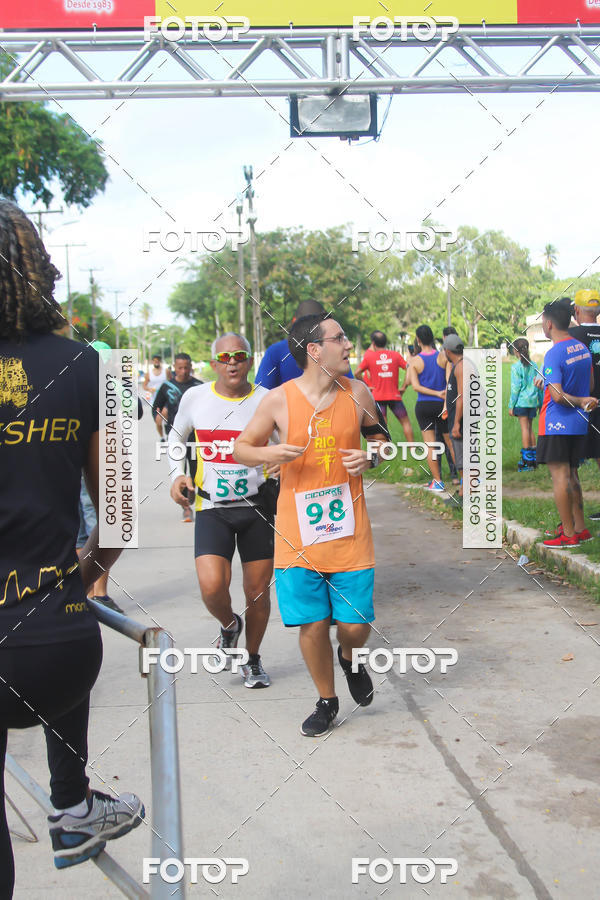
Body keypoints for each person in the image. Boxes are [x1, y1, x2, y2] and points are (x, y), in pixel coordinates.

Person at [0, 201, 144, 896]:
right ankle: (73, 806)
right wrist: (78, 575)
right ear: (37, 264)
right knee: (59, 620)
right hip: (56, 646)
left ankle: (73, 805)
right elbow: (118, 517)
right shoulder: (92, 367)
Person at [234, 314, 389, 737]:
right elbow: (241, 449)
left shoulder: (357, 392)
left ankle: (350, 657)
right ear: (314, 350)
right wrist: (273, 455)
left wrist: (371, 456)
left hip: (350, 530)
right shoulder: (278, 400)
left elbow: (383, 442)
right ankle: (327, 700)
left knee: (355, 626)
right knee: (312, 623)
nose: (348, 343)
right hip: (297, 535)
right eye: (339, 338)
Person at [169, 334, 276, 688]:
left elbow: (284, 444)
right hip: (212, 506)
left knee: (257, 592)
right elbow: (175, 436)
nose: (232, 362)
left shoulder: (266, 400)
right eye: (225, 357)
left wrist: (280, 465)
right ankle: (230, 624)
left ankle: (253, 659)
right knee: (212, 587)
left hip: (256, 508)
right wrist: (177, 474)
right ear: (214, 363)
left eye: (240, 355)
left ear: (249, 361)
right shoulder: (196, 398)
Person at [536, 300, 598, 547]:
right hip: (579, 424)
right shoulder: (582, 348)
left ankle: (568, 535)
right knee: (572, 474)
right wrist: (583, 398)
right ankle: (580, 528)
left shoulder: (554, 353)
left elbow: (559, 396)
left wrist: (579, 398)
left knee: (560, 477)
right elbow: (591, 385)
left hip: (556, 424)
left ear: (549, 324)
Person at [255, 299, 354, 388]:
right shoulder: (333, 351)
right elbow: (350, 386)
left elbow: (261, 390)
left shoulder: (276, 351)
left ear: (294, 321)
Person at [153, 352, 202, 522]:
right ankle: (186, 508)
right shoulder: (167, 386)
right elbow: (156, 407)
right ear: (175, 368)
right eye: (180, 368)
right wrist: (158, 416)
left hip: (196, 438)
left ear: (191, 367)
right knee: (179, 473)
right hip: (175, 436)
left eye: (186, 368)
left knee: (196, 472)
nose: (183, 371)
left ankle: (192, 493)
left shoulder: (198, 386)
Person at [568, 289, 600, 519]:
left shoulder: (572, 335)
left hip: (580, 405)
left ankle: (574, 519)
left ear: (577, 310)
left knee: (569, 462)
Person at [355, 330, 414, 442]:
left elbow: (357, 372)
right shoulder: (395, 355)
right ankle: (411, 448)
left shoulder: (369, 357)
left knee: (382, 424)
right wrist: (404, 385)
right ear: (385, 342)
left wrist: (367, 386)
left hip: (378, 397)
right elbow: (409, 367)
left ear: (373, 343)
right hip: (395, 396)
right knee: (405, 422)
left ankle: (385, 448)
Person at [409, 324, 447, 492]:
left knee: (430, 445)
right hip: (442, 404)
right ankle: (464, 479)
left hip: (424, 405)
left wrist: (434, 393)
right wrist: (440, 394)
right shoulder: (443, 357)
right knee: (451, 442)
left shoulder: (415, 361)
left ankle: (437, 481)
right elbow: (449, 381)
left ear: (418, 340)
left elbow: (415, 387)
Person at [508, 338, 543, 471]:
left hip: (522, 403)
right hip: (533, 402)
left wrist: (511, 406)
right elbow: (539, 385)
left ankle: (527, 462)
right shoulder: (534, 365)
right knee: (530, 429)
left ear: (516, 352)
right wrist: (540, 402)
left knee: (524, 429)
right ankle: (534, 459)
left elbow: (515, 388)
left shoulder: (516, 367)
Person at [442, 334, 465, 506]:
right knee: (461, 455)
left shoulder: (461, 367)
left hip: (461, 421)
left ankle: (466, 494)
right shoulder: (458, 365)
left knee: (462, 456)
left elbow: (462, 397)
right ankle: (465, 491)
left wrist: (456, 423)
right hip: (457, 418)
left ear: (448, 351)